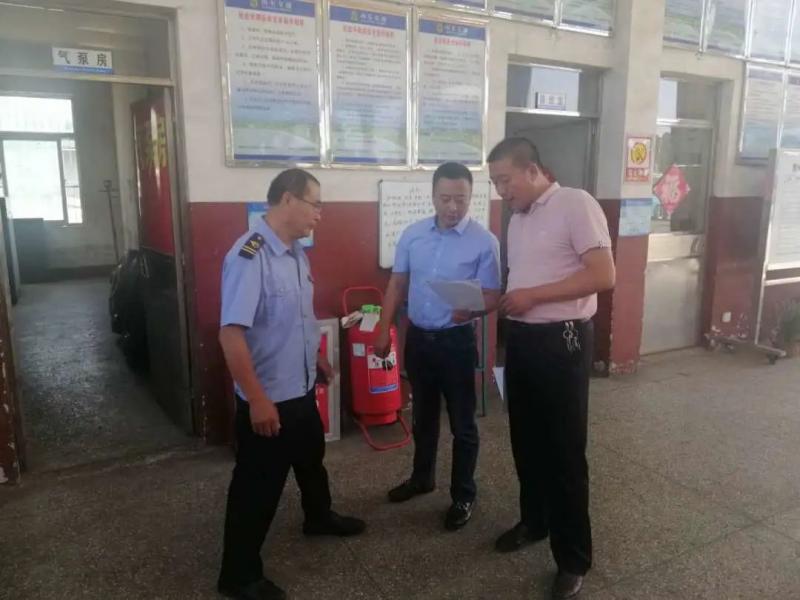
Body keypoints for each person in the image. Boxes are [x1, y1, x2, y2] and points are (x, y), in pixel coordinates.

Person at [217, 169, 366, 600]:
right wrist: (258, 400)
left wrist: (313, 357)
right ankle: (239, 575)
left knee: (311, 460)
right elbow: (231, 335)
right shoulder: (250, 256)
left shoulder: (296, 253)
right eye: (315, 204)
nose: (320, 214)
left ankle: (318, 518)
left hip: (299, 388)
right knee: (256, 488)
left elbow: (295, 318)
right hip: (269, 400)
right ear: (287, 199)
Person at [488, 138, 615, 600]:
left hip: (563, 341)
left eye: (505, 180)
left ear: (533, 170)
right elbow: (521, 284)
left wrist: (534, 296)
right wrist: (489, 303)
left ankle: (573, 558)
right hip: (522, 341)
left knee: (563, 452)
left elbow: (603, 275)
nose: (501, 191)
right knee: (526, 442)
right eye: (495, 183)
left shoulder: (575, 204)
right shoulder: (518, 219)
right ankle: (534, 521)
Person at [375, 162, 501, 530]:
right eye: (445, 199)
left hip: (456, 342)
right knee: (423, 417)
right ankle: (422, 478)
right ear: (432, 196)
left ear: (471, 197)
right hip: (419, 340)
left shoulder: (484, 241)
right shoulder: (413, 235)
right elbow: (397, 285)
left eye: (461, 199)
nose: (452, 207)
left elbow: (493, 295)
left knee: (463, 424)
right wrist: (383, 329)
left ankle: (463, 494)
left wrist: (474, 309)